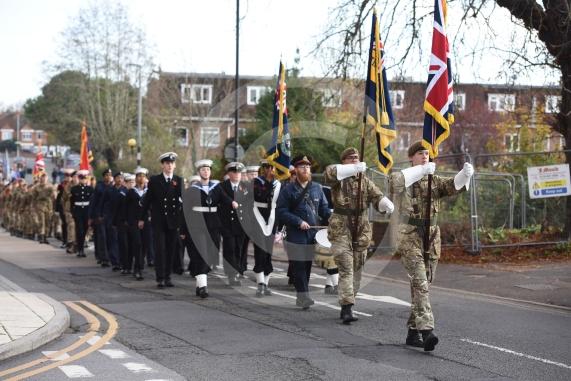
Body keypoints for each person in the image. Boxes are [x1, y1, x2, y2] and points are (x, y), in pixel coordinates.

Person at [389, 141, 474, 351]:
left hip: (431, 237)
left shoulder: (433, 180)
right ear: (411, 157)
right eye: (420, 153)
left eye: (427, 153)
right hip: (409, 236)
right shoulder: (404, 177)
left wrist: (465, 175)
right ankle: (427, 331)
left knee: (423, 285)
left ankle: (412, 332)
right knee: (420, 282)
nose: (425, 156)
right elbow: (393, 184)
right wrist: (419, 171)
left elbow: (452, 186)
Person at [323, 147, 394, 324]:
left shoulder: (364, 180)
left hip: (361, 229)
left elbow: (376, 195)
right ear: (344, 161)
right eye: (351, 158)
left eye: (356, 158)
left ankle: (349, 300)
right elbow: (329, 173)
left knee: (357, 269)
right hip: (341, 228)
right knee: (346, 267)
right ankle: (347, 307)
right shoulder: (338, 177)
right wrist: (353, 168)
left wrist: (385, 203)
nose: (355, 160)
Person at [276, 155, 331, 309]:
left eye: (307, 167)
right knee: (299, 264)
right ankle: (304, 296)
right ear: (295, 170)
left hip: (312, 234)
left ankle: (301, 296)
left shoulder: (317, 188)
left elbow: (324, 209)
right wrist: (298, 221)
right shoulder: (288, 190)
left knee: (307, 265)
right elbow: (281, 212)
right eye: (302, 167)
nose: (306, 169)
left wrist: (333, 218)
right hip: (295, 234)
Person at [139, 152, 183, 289]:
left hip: (173, 221)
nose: (169, 165)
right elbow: (148, 200)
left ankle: (168, 276)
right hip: (159, 221)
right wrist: (141, 218)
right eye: (167, 163)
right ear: (163, 165)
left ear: (174, 165)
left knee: (171, 250)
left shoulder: (178, 180)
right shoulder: (155, 180)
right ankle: (160, 277)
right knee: (160, 249)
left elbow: (183, 201)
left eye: (171, 163)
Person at [181, 159, 221, 298]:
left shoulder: (216, 188)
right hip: (197, 226)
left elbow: (226, 202)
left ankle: (199, 284)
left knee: (210, 255)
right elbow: (185, 211)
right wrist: (183, 230)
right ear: (199, 172)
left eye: (208, 169)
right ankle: (203, 287)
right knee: (201, 254)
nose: (206, 172)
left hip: (213, 226)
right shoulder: (192, 190)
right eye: (203, 170)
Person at [249, 159, 280, 297]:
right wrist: (268, 183)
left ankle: (265, 283)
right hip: (258, 218)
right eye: (267, 167)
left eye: (272, 167)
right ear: (263, 169)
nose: (270, 170)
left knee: (268, 252)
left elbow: (280, 204)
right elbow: (258, 196)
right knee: (260, 251)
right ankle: (260, 283)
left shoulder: (278, 184)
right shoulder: (256, 182)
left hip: (272, 219)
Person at [217, 162, 248, 286]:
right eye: (234, 172)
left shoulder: (245, 187)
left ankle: (238, 270)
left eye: (239, 172)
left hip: (241, 224)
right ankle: (231, 275)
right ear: (229, 173)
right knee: (229, 249)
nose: (237, 174)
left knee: (239, 249)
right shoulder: (222, 186)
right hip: (227, 224)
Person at [89, 169, 113, 267]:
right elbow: (93, 202)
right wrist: (91, 216)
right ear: (103, 177)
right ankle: (103, 258)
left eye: (110, 175)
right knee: (101, 237)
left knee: (110, 237)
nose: (108, 177)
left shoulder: (113, 187)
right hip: (99, 216)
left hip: (110, 216)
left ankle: (110, 256)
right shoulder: (99, 187)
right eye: (106, 175)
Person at [70, 170, 94, 257]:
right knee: (79, 230)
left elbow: (92, 202)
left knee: (84, 230)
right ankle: (80, 250)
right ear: (79, 179)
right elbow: (72, 202)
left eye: (85, 178)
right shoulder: (74, 189)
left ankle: (80, 247)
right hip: (78, 212)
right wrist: (73, 213)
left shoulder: (90, 189)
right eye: (81, 178)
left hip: (87, 212)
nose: (83, 180)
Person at [31, 171, 55, 244]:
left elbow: (53, 197)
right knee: (42, 222)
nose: (44, 178)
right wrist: (33, 207)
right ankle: (41, 236)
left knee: (48, 222)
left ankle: (45, 237)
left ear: (47, 178)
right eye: (42, 177)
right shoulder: (36, 187)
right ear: (40, 178)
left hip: (48, 205)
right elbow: (34, 198)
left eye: (45, 177)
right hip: (40, 205)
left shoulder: (50, 186)